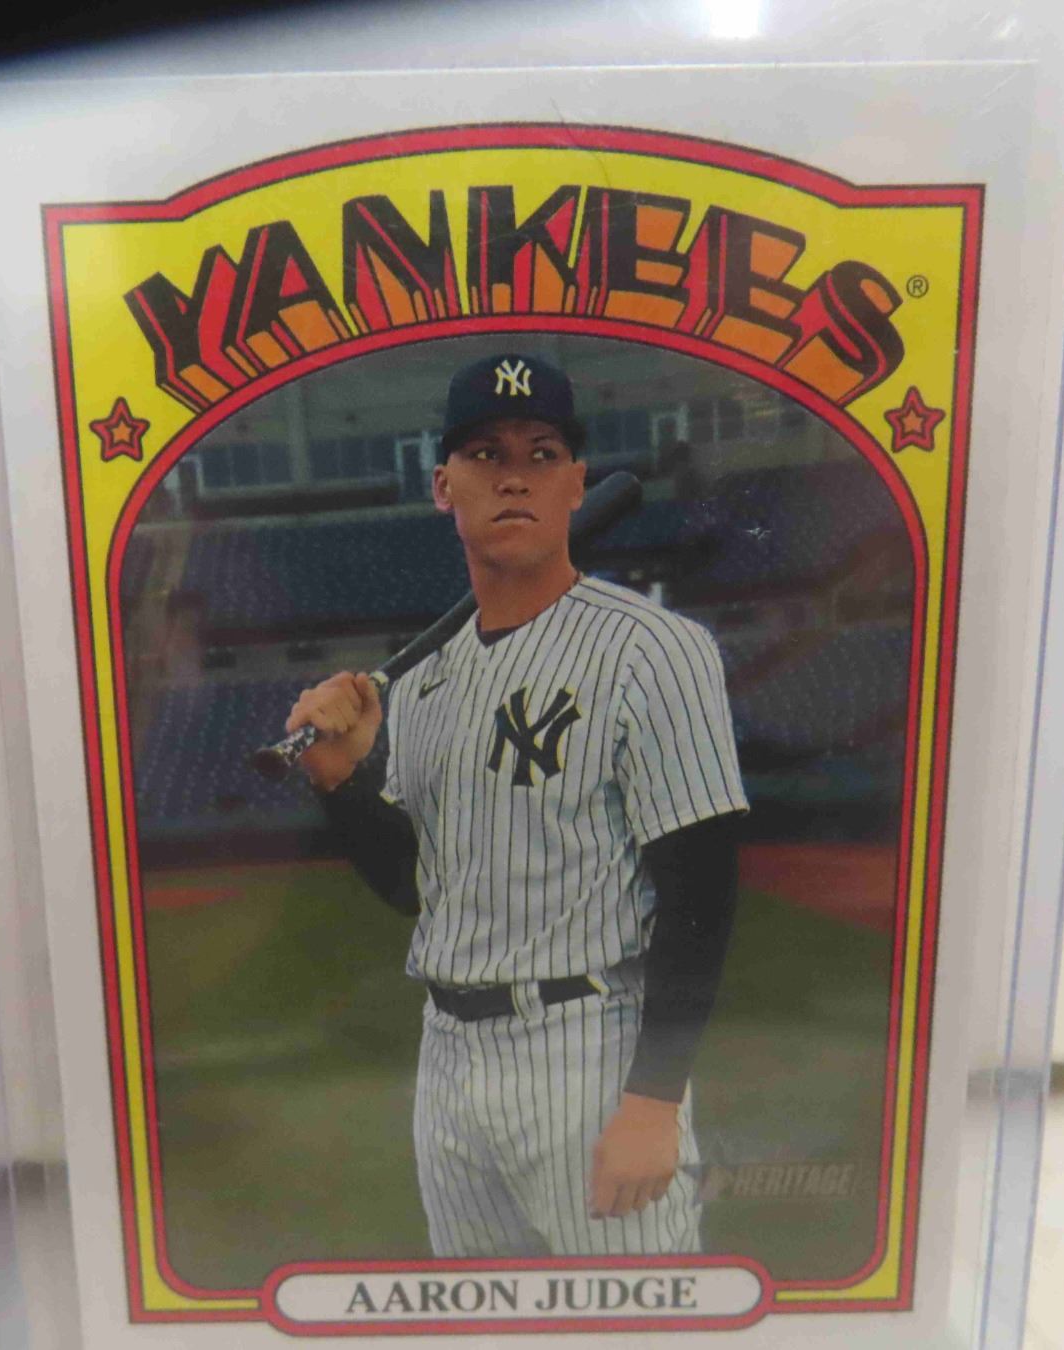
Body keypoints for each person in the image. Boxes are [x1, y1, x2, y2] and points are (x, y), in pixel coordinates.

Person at [284, 352, 748, 1257]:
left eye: (542, 454)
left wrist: (653, 1102)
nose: (514, 476)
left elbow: (701, 890)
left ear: (576, 483)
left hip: (588, 1050)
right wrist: (341, 778)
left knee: (630, 1323)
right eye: (486, 455)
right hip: (448, 1061)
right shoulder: (424, 684)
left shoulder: (653, 649)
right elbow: (416, 888)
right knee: (480, 1321)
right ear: (443, 486)